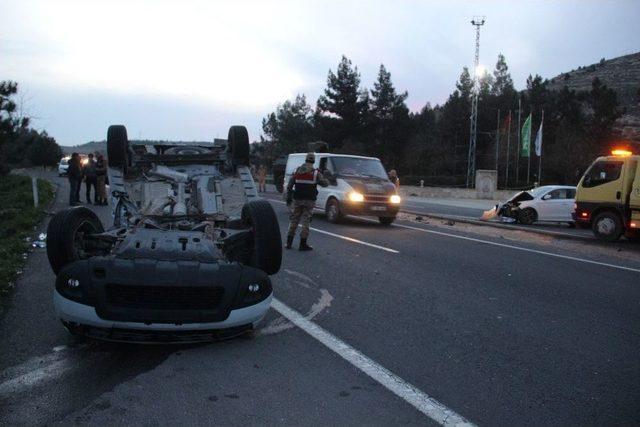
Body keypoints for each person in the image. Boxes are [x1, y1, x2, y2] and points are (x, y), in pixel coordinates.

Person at [285, 152, 328, 251]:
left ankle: (289, 243)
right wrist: (324, 176)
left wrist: (289, 197)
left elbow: (290, 185)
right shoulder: (316, 173)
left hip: (297, 200)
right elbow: (325, 184)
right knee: (306, 222)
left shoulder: (297, 171)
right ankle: (302, 244)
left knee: (294, 220)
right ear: (313, 161)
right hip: (309, 201)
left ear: (305, 160)